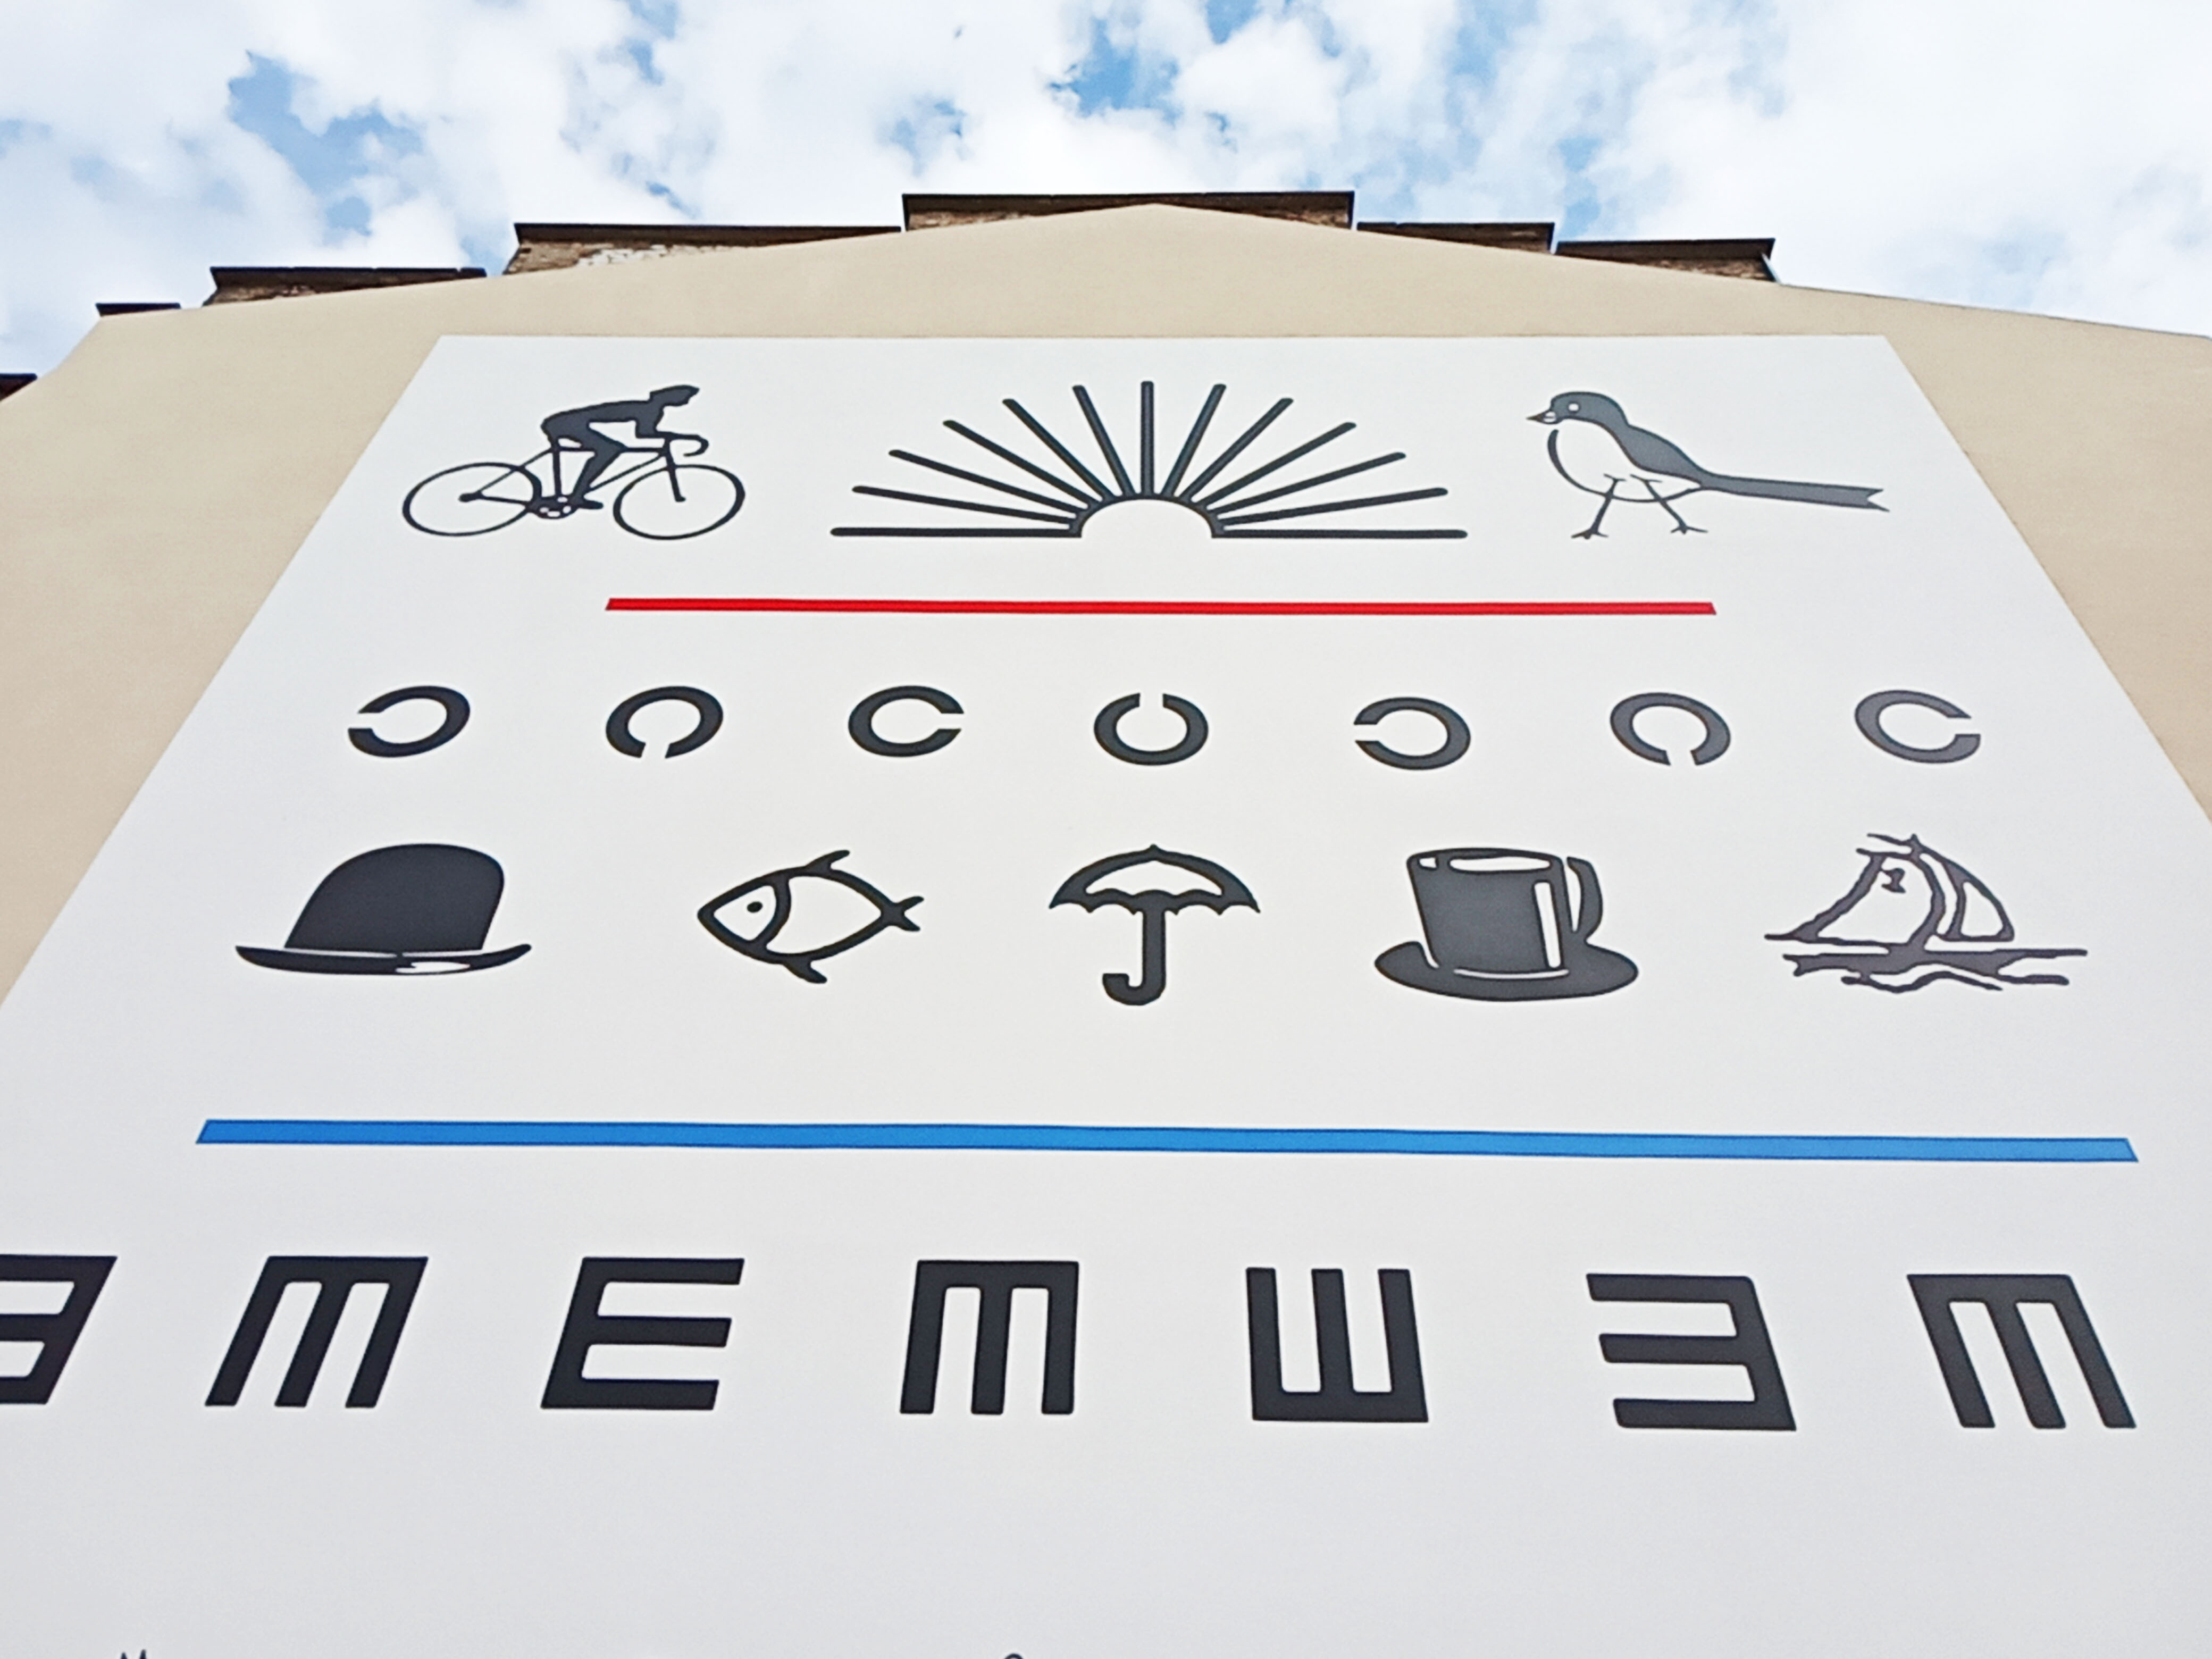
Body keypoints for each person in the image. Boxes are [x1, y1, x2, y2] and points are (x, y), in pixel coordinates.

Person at [539, 385, 701, 507]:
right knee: (609, 450)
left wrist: (681, 437)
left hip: (563, 422)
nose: (685, 401)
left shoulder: (649, 408)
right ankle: (577, 496)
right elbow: (644, 433)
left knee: (612, 449)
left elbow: (645, 433)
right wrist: (688, 438)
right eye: (685, 397)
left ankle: (577, 495)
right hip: (564, 424)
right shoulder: (650, 409)